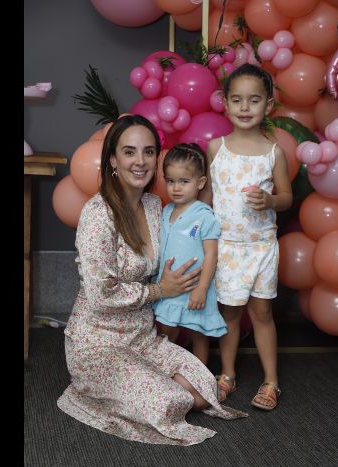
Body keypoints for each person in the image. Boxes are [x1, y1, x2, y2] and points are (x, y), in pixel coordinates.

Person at [56, 114, 247, 446]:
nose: (140, 161)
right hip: (99, 343)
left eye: (148, 152)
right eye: (129, 152)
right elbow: (101, 294)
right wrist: (160, 290)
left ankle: (136, 385)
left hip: (144, 338)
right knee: (173, 401)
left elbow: (192, 235)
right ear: (113, 159)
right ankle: (88, 390)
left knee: (203, 389)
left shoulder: (154, 205)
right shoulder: (98, 213)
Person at [200, 64, 293, 411]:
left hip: (261, 247)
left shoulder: (274, 152)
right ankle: (227, 373)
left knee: (262, 312)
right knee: (230, 313)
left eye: (253, 100)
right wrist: (195, 233)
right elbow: (207, 198)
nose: (244, 107)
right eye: (237, 99)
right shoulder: (216, 148)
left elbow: (287, 197)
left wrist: (270, 201)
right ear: (224, 103)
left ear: (268, 105)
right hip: (226, 247)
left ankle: (271, 381)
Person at [153, 144, 226, 365]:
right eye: (170, 181)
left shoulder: (204, 216)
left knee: (198, 333)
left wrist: (202, 289)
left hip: (195, 288)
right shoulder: (165, 211)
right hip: (170, 287)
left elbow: (211, 254)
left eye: (184, 181)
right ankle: (166, 371)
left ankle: (199, 375)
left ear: (200, 183)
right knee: (167, 332)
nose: (176, 188)